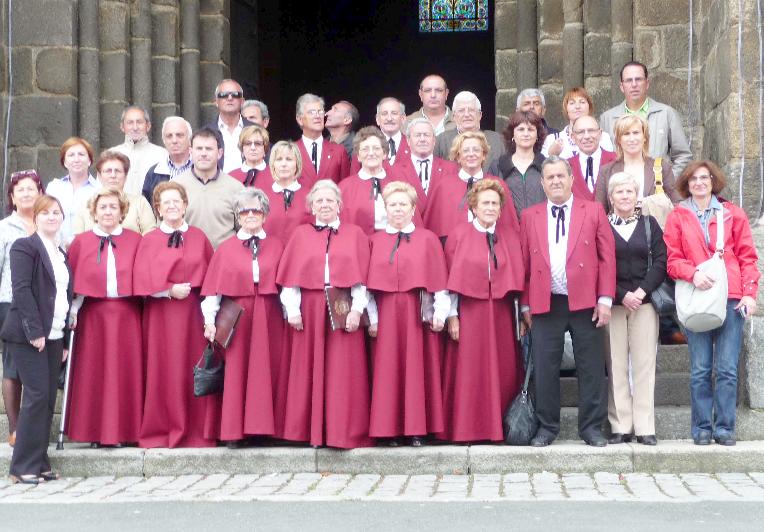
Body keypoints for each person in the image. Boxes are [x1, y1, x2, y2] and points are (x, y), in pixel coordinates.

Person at [520, 156, 616, 447]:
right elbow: (524, 263)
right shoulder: (530, 215)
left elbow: (607, 258)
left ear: (572, 179)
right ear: (542, 182)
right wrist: (525, 305)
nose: (556, 181)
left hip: (586, 300)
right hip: (545, 301)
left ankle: (591, 428)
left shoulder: (594, 210)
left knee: (591, 366)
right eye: (550, 177)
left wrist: (605, 299)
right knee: (545, 367)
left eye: (561, 176)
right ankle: (547, 427)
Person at [664, 161, 760, 446]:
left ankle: (725, 428)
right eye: (693, 179)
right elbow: (672, 260)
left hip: (730, 297)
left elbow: (747, 257)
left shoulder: (733, 214)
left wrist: (749, 294)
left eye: (704, 178)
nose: (699, 183)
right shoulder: (678, 216)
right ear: (686, 184)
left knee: (728, 368)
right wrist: (693, 274)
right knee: (701, 369)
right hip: (697, 296)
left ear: (713, 181)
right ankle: (702, 428)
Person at [277, 180, 372, 448]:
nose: (325, 205)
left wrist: (357, 309)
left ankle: (343, 432)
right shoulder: (300, 235)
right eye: (319, 201)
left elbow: (361, 279)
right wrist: (292, 310)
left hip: (343, 305)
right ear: (311, 206)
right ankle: (308, 432)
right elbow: (290, 279)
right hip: (309, 307)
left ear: (340, 205)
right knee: (308, 368)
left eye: (330, 200)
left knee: (343, 371)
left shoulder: (354, 234)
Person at [437, 179, 524, 442]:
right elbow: (448, 278)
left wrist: (521, 317)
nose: (489, 208)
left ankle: (500, 428)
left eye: (494, 204)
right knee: (470, 373)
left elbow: (518, 279)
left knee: (502, 371)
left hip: (501, 314)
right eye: (484, 203)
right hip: (469, 313)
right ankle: (467, 429)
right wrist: (452, 315)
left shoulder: (510, 235)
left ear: (500, 209)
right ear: (473, 207)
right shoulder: (459, 234)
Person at [201, 188, 286, 447]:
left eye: (256, 210)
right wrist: (209, 321)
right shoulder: (226, 249)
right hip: (236, 316)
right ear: (237, 216)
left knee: (268, 370)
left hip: (270, 315)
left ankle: (265, 430)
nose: (251, 215)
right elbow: (213, 290)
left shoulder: (278, 245)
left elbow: (286, 285)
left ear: (265, 215)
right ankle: (234, 432)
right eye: (245, 211)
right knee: (237, 372)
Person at [366, 181, 448, 446]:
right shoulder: (374, 241)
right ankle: (388, 429)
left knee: (417, 369)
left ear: (413, 209)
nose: (398, 210)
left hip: (417, 315)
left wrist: (441, 313)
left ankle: (417, 429)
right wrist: (373, 318)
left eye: (403, 205)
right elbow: (367, 287)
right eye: (393, 205)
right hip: (387, 315)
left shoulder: (428, 239)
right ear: (385, 208)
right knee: (388, 370)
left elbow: (440, 281)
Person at [134, 181, 215, 448]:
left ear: (185, 205)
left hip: (193, 316)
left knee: (192, 368)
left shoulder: (199, 237)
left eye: (176, 201)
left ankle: (196, 431)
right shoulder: (149, 240)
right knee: (165, 369)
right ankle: (164, 429)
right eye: (165, 202)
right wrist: (168, 290)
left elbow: (211, 280)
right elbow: (141, 281)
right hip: (162, 317)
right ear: (157, 208)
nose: (171, 206)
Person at [1, 195, 71, 484]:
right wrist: (35, 332)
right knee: (37, 395)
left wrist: (63, 338)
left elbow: (64, 296)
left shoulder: (60, 252)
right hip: (30, 334)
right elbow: (22, 290)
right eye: (46, 213)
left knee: (45, 399)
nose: (52, 217)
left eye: (57, 213)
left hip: (55, 335)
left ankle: (39, 462)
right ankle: (22, 466)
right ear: (36, 217)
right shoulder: (24, 247)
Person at [66, 189, 144, 447]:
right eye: (103, 207)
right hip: (94, 316)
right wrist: (74, 311)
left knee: (125, 372)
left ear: (122, 212)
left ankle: (125, 431)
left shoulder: (135, 240)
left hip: (127, 315)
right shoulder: (81, 242)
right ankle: (95, 431)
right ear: (94, 212)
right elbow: (74, 284)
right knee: (94, 373)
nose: (108, 212)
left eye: (113, 207)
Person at [604, 172, 667, 446]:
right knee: (616, 364)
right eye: (619, 192)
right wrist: (621, 294)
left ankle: (644, 426)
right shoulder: (602, 225)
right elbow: (598, 265)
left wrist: (641, 292)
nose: (625, 196)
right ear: (611, 197)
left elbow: (661, 262)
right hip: (613, 304)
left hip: (644, 302)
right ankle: (620, 424)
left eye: (629, 191)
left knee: (644, 365)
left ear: (636, 195)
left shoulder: (650, 224)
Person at [0, 170, 44, 448]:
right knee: (13, 366)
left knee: (36, 368)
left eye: (31, 189)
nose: (27, 193)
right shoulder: (5, 228)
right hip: (11, 302)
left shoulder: (49, 222)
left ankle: (33, 427)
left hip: (43, 303)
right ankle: (15, 428)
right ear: (13, 198)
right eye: (21, 190)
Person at [599, 61, 692, 174]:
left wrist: (668, 182)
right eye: (628, 80)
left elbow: (683, 156)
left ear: (647, 83)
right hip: (622, 188)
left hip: (657, 187)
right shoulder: (607, 118)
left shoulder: (666, 114)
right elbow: (602, 159)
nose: (634, 84)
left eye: (638, 79)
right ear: (622, 86)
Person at [424, 131, 518, 242]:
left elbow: (509, 228)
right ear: (458, 157)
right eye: (465, 150)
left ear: (483, 155)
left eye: (476, 150)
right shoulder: (443, 186)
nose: (471, 154)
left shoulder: (497, 185)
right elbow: (433, 231)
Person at [339, 126, 426, 235]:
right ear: (358, 156)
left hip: (393, 246)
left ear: (384, 154)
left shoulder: (400, 185)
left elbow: (413, 222)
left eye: (376, 148)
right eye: (365, 149)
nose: (371, 153)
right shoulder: (345, 188)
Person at [173, 128, 245, 248]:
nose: (204, 153)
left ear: (220, 153)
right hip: (188, 260)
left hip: (224, 261)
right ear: (190, 151)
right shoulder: (175, 186)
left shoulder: (236, 188)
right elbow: (166, 229)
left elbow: (244, 230)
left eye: (209, 149)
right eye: (199, 148)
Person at [596, 115, 680, 214]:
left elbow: (676, 205)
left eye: (636, 133)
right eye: (626, 134)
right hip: (617, 228)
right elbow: (599, 212)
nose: (632, 139)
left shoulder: (661, 167)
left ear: (644, 137)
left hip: (653, 228)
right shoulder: (606, 171)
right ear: (618, 139)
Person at [73, 151, 156, 235]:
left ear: (125, 176)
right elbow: (78, 241)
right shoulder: (86, 205)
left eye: (118, 171)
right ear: (99, 176)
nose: (113, 175)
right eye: (108, 171)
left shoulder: (140, 203)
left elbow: (150, 236)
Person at [490, 110, 547, 217]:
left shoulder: (547, 166)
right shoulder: (498, 166)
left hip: (540, 227)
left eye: (530, 129)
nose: (526, 134)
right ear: (512, 134)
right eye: (521, 129)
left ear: (537, 135)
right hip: (508, 229)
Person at [253, 140, 311, 242]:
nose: (283, 164)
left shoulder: (310, 196)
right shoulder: (261, 197)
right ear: (273, 164)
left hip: (300, 254)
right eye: (279, 159)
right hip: (269, 254)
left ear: (297, 163)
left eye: (289, 159)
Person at [46, 137, 100, 246]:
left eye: (81, 154)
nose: (76, 159)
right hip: (56, 248)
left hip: (87, 248)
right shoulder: (54, 188)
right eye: (71, 155)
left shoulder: (99, 190)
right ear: (65, 162)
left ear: (89, 161)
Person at [434, 91, 506, 172]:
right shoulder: (441, 141)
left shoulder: (496, 140)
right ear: (454, 116)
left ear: (480, 115)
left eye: (471, 110)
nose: (467, 114)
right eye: (461, 110)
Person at [109, 105, 167, 196]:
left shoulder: (162, 155)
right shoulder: (111, 154)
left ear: (148, 126)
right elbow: (101, 189)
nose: (135, 127)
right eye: (130, 122)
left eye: (139, 122)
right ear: (122, 127)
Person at [542, 87, 614, 159]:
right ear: (566, 109)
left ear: (589, 107)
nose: (577, 106)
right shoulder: (552, 139)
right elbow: (542, 168)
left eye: (582, 102)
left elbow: (609, 163)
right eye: (572, 103)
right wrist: (551, 155)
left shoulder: (603, 137)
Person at [294, 94, 350, 185]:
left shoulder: (338, 151)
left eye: (320, 112)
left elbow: (346, 188)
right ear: (300, 119)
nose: (317, 116)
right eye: (311, 112)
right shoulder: (291, 151)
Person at [395, 117, 456, 195]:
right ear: (408, 141)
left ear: (434, 140)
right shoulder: (395, 170)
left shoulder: (451, 169)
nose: (422, 139)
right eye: (417, 135)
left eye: (426, 135)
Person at [205, 79, 254, 174]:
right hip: (217, 186)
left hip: (250, 186)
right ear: (216, 101)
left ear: (242, 101)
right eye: (223, 95)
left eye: (235, 94)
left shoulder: (256, 130)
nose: (230, 98)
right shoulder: (206, 133)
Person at [142, 116, 193, 204]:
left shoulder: (201, 168)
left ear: (189, 139)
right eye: (169, 136)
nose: (174, 140)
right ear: (164, 141)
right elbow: (147, 208)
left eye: (179, 135)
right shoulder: (153, 173)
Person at [566, 115, 617, 201]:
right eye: (580, 132)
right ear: (573, 137)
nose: (586, 136)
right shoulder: (566, 166)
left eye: (591, 131)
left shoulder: (616, 160)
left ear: (600, 134)